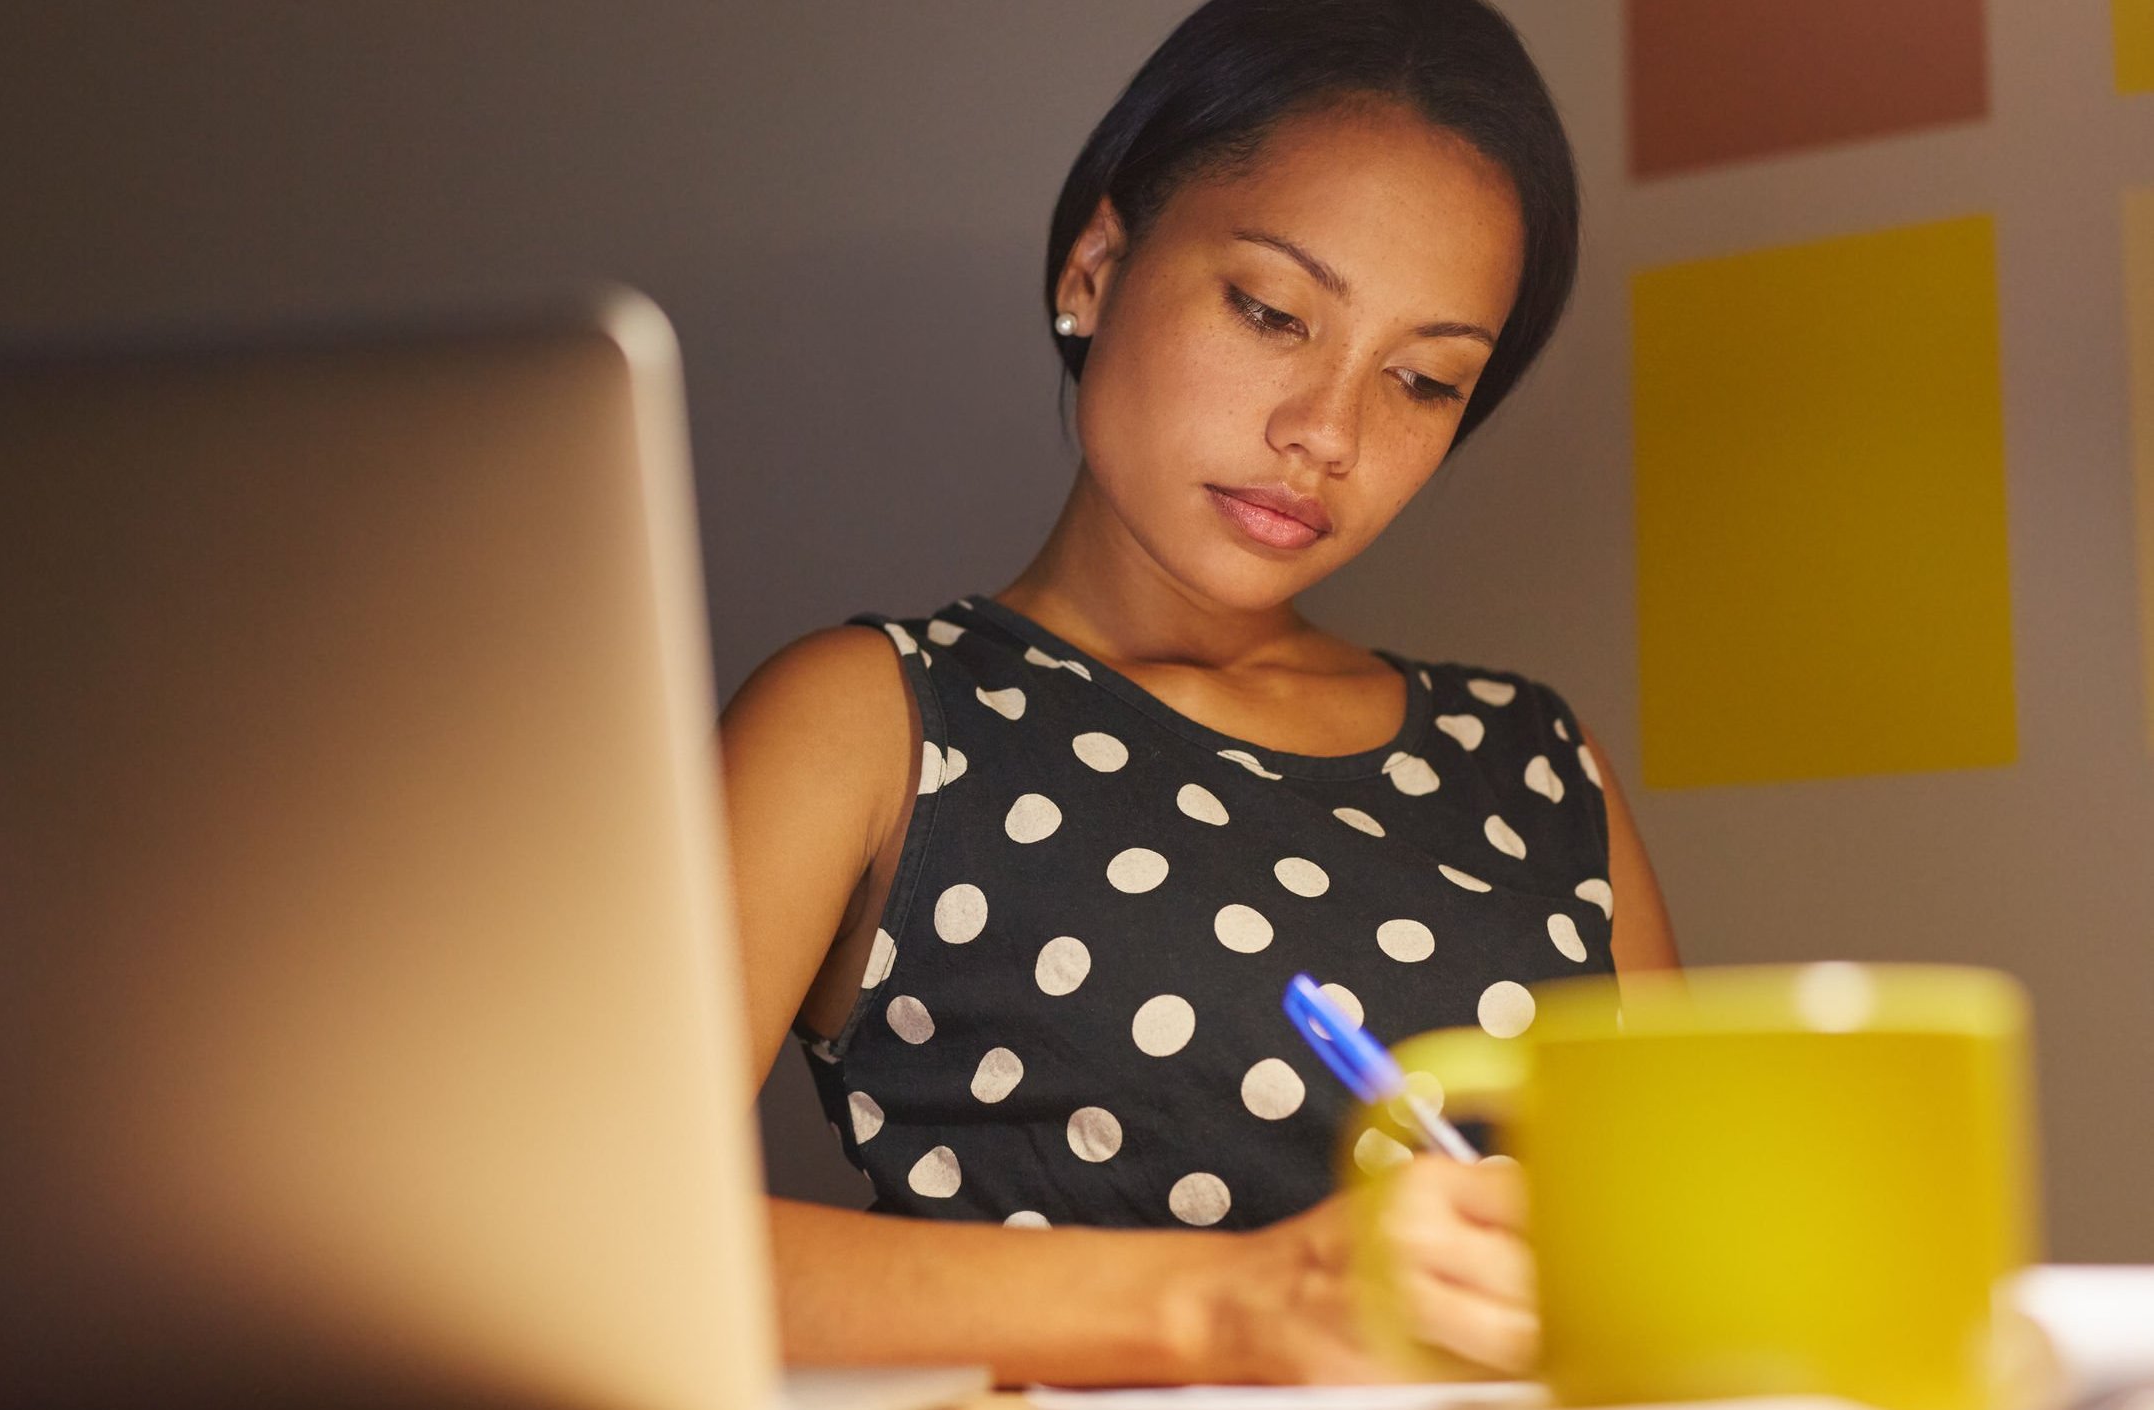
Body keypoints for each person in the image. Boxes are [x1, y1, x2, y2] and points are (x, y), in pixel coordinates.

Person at [716, 0, 1680, 1387]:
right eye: (1274, 312)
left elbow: (1688, 1263)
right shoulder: (874, 717)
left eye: (1423, 380)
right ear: (1098, 266)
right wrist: (1234, 1299)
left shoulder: (1529, 758)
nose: (1326, 434)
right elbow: (582, 1239)